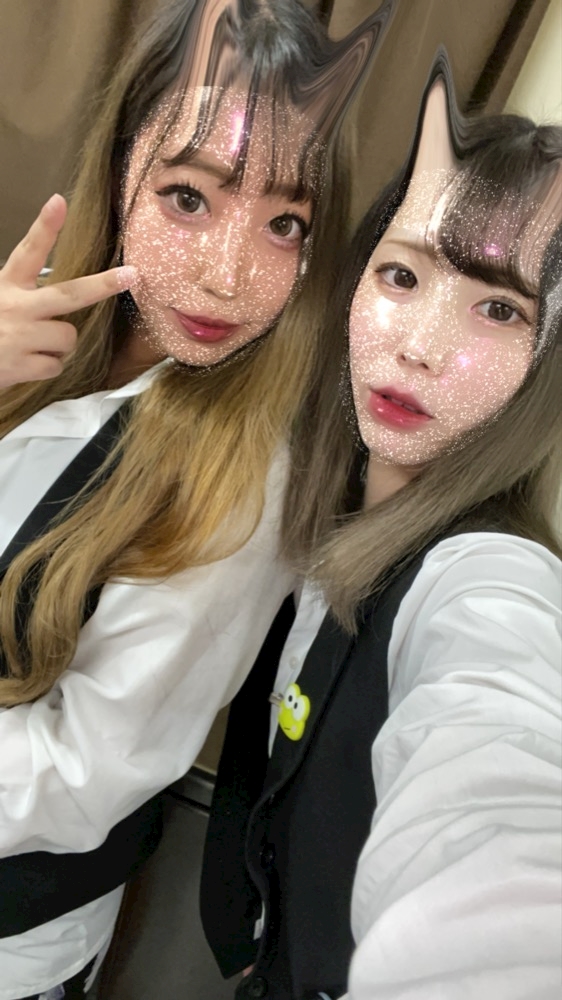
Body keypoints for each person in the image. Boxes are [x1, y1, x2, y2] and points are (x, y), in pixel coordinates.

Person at [0, 1, 395, 996]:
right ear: (118, 169)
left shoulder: (241, 486)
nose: (226, 277)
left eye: (285, 223)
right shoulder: (31, 323)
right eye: (188, 197)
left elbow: (76, 778)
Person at [202, 63, 562, 1000]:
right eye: (402, 275)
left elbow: (499, 776)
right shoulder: (312, 504)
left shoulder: (487, 579)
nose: (419, 345)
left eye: (500, 308)